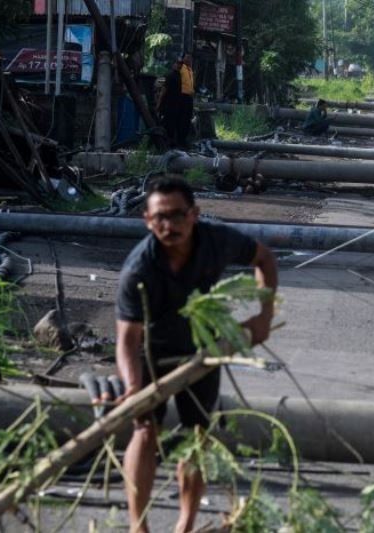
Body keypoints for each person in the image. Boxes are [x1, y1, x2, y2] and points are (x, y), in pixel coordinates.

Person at [115, 177, 278, 533]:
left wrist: (264, 317)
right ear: (147, 219)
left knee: (197, 436)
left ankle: (185, 525)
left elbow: (264, 258)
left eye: (177, 215)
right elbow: (126, 340)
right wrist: (132, 387)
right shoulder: (138, 270)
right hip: (151, 353)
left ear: (195, 215)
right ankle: (137, 526)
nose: (169, 226)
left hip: (203, 349)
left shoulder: (217, 241)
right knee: (144, 430)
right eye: (160, 217)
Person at [157, 59, 182, 147]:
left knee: (166, 124)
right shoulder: (181, 77)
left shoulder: (170, 76)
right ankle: (171, 141)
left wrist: (158, 104)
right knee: (173, 124)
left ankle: (165, 142)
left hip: (168, 105)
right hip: (177, 105)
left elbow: (163, 91)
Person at [177, 53, 195, 147]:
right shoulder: (182, 68)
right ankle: (180, 140)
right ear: (183, 59)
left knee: (188, 119)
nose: (189, 59)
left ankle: (184, 140)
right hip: (182, 96)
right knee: (182, 119)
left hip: (189, 97)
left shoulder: (190, 70)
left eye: (190, 58)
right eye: (187, 57)